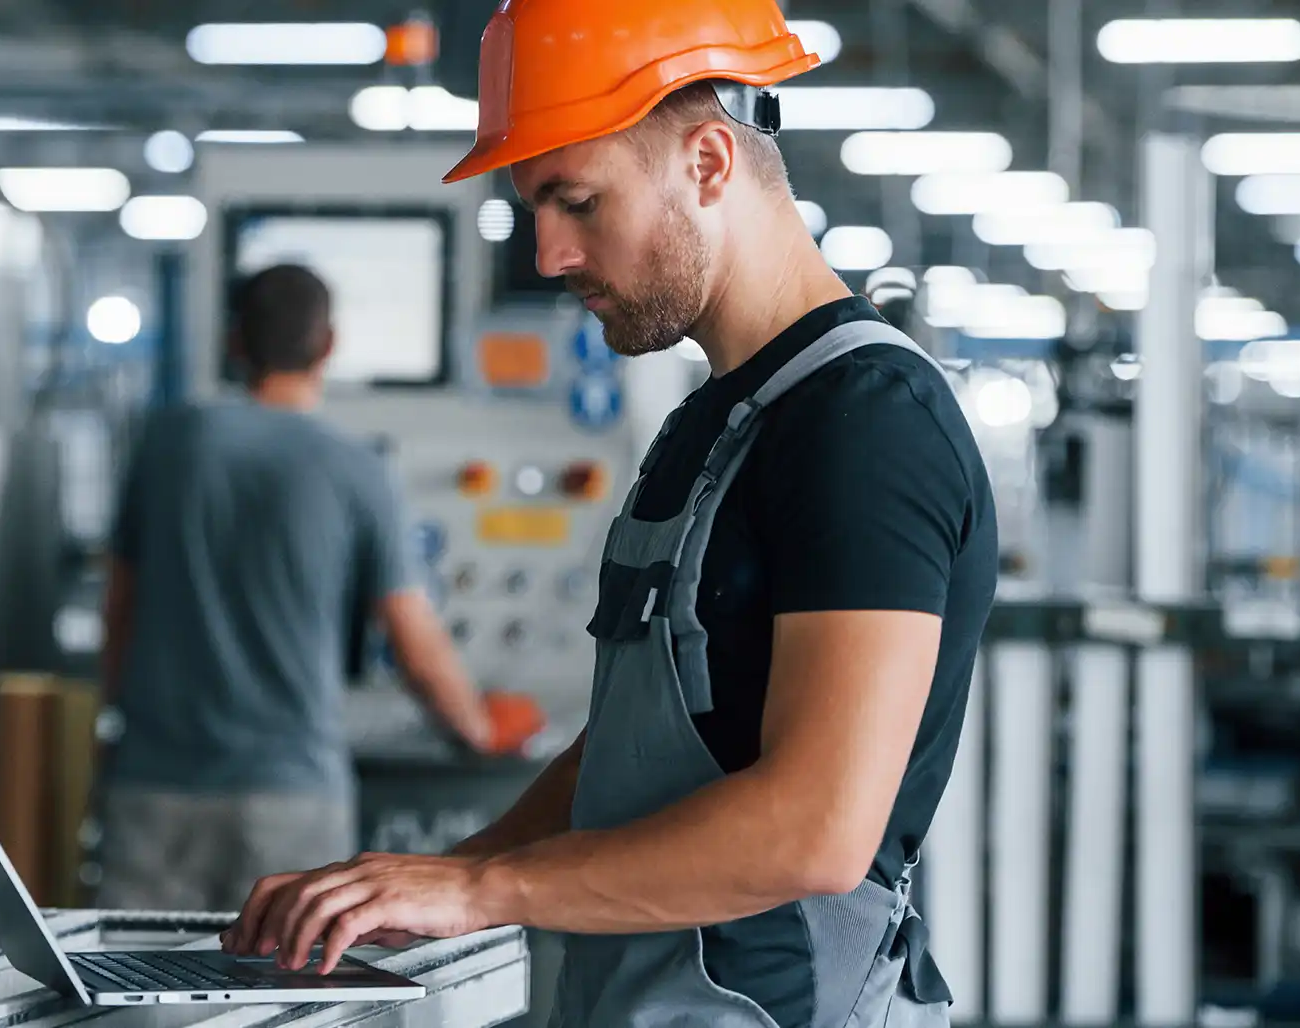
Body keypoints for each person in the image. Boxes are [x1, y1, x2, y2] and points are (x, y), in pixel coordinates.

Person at [220, 3, 999, 1027]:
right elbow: (633, 753)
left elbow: (815, 829)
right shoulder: (713, 422)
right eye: (532, 209)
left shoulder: (866, 425)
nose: (547, 254)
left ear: (709, 162)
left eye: (576, 202)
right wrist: (423, 883)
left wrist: (478, 892)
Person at [96, 263, 512, 912]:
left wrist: (120, 724)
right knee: (286, 1001)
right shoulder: (356, 469)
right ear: (329, 346)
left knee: (138, 997)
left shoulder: (169, 443)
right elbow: (413, 641)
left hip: (154, 785)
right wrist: (479, 731)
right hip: (289, 797)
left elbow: (118, 605)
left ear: (235, 343)